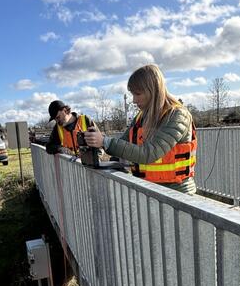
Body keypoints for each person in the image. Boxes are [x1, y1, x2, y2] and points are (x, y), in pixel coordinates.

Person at [84, 64, 196, 194]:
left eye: (138, 94)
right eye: (132, 94)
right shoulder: (141, 117)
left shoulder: (178, 115)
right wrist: (109, 158)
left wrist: (105, 142)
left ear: (153, 90)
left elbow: (149, 154)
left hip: (178, 196)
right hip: (149, 192)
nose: (133, 100)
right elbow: (124, 145)